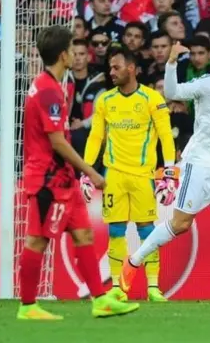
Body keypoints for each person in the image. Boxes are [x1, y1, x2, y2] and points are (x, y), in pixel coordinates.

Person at [119, 40, 210, 304]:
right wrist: (172, 62)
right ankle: (134, 261)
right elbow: (172, 91)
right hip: (199, 163)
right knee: (181, 224)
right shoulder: (209, 84)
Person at [18, 25, 139, 320]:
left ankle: (100, 300)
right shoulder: (48, 91)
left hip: (63, 180)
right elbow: (57, 141)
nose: (75, 54)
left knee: (84, 234)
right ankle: (28, 305)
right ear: (63, 54)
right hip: (48, 180)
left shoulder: (50, 86)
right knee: (37, 240)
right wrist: (92, 172)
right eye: (72, 50)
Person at [81, 46, 176, 302]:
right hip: (114, 175)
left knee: (147, 230)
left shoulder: (151, 99)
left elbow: (166, 137)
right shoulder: (105, 101)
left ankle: (153, 287)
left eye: (116, 67)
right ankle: (117, 287)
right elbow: (96, 137)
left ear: (131, 69)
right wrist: (86, 171)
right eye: (110, 67)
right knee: (116, 231)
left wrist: (169, 174)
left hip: (144, 175)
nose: (111, 72)